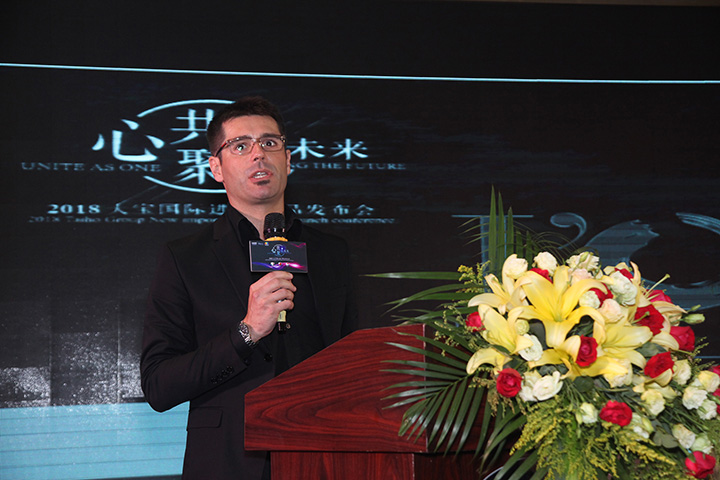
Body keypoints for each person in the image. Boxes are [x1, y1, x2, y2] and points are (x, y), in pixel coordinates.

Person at [140, 96, 358, 480]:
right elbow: (159, 385)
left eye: (269, 143)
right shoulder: (185, 258)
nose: (259, 154)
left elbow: (352, 364)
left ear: (288, 160)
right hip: (227, 462)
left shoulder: (331, 252)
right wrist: (246, 332)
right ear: (216, 168)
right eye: (240, 146)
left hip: (320, 458)